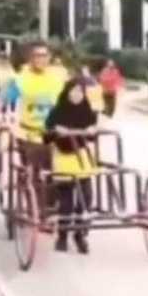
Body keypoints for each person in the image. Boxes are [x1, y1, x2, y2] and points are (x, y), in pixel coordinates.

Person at [0, 42, 67, 217]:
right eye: (37, 55)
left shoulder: (57, 77)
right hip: (29, 133)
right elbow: (3, 99)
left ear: (49, 58)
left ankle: (53, 207)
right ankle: (39, 210)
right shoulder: (21, 78)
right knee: (36, 171)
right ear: (30, 58)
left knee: (60, 170)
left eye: (44, 55)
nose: (41, 59)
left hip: (54, 132)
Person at [45, 79, 100, 254]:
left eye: (80, 92)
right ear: (67, 92)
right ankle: (62, 236)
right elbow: (46, 135)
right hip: (63, 157)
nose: (77, 95)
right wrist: (56, 130)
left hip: (82, 158)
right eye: (73, 91)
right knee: (66, 200)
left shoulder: (87, 111)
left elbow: (93, 133)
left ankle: (80, 235)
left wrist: (92, 130)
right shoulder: (57, 111)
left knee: (86, 198)